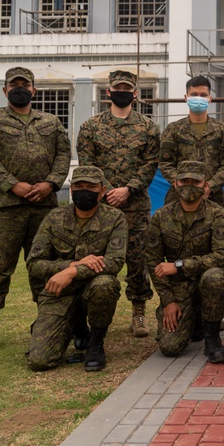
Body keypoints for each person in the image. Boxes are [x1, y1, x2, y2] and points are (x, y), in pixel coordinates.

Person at [0, 66, 72, 357]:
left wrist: (51, 184)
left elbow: (64, 154)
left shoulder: (51, 121)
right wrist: (11, 184)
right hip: (5, 207)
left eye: (24, 84)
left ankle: (48, 325)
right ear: (4, 90)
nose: (19, 88)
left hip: (44, 208)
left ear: (33, 90)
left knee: (44, 267)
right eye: (13, 84)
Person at [77, 69, 161, 338]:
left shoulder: (149, 128)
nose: (122, 92)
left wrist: (128, 189)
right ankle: (93, 313)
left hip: (135, 206)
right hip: (99, 207)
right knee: (96, 261)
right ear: (108, 93)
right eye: (117, 88)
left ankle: (138, 313)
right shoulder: (91, 127)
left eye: (127, 88)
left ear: (135, 94)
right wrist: (109, 191)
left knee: (138, 263)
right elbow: (87, 164)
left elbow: (150, 165)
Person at [26, 165, 126, 372]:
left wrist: (73, 272)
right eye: (79, 186)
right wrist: (69, 265)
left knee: (105, 284)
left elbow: (114, 262)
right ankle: (74, 326)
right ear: (71, 190)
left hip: (93, 287)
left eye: (91, 187)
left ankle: (95, 343)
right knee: (40, 361)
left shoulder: (115, 218)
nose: (84, 191)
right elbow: (34, 264)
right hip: (60, 293)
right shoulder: (54, 218)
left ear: (103, 190)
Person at [145, 161, 224, 364]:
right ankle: (193, 319)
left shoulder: (217, 214)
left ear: (205, 185)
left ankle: (212, 338)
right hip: (178, 287)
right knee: (170, 347)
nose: (189, 186)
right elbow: (153, 261)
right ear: (175, 184)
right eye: (184, 181)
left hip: (205, 279)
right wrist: (168, 300)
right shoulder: (161, 217)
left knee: (215, 277)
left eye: (195, 181)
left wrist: (180, 265)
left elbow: (221, 256)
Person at [158, 75, 224, 209]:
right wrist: (181, 186)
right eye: (194, 94)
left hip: (213, 198)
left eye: (203, 95)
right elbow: (165, 163)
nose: (198, 98)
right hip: (178, 199)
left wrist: (209, 187)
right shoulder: (173, 129)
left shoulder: (221, 129)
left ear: (210, 99)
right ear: (186, 98)